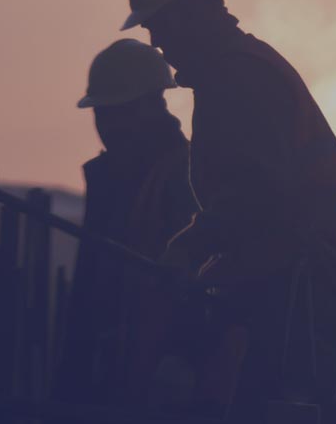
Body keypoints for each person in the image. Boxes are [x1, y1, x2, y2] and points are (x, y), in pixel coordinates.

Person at [121, 0, 336, 420]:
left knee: (275, 408)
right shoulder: (232, 74)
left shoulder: (237, 80)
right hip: (288, 282)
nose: (155, 42)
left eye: (157, 26)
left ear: (188, 12)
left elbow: (257, 197)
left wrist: (188, 248)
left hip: (299, 289)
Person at [57, 38, 202, 408]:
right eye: (100, 114)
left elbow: (198, 292)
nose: (104, 127)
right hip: (116, 372)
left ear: (151, 106)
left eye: (113, 113)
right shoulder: (114, 179)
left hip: (166, 377)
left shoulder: (185, 179)